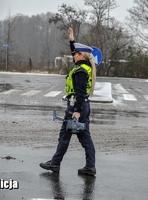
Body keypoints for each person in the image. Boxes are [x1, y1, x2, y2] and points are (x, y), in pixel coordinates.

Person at [40, 27, 97, 176]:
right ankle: (89, 166)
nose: (73, 56)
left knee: (65, 135)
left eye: (75, 54)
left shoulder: (80, 71)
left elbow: (79, 92)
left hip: (76, 107)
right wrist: (72, 40)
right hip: (83, 105)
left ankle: (55, 163)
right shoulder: (85, 66)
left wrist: (76, 111)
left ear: (81, 55)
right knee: (84, 137)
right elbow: (76, 52)